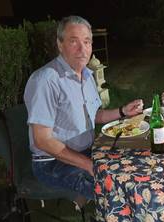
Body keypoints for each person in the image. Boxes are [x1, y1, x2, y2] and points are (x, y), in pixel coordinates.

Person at [23, 15, 143, 201]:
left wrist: (122, 112)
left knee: (132, 166)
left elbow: (95, 116)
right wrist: (88, 164)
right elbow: (43, 140)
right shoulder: (46, 80)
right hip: (53, 163)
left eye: (87, 42)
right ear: (60, 44)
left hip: (87, 151)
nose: (82, 49)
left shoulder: (86, 75)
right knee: (113, 195)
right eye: (74, 41)